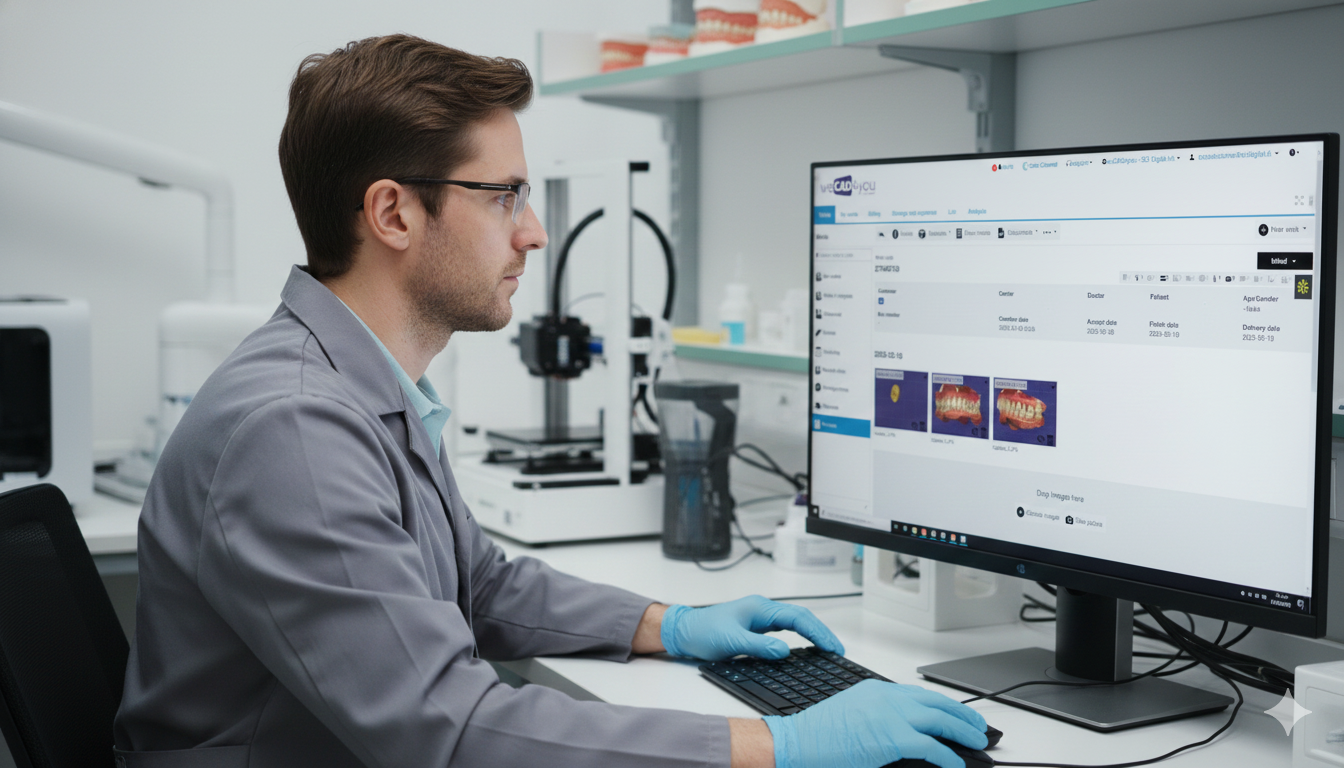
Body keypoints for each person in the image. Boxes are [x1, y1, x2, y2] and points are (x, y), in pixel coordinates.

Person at [113, 34, 989, 768]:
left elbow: (476, 583)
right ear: (392, 214)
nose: (532, 230)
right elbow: (446, 731)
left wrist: (668, 624)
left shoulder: (358, 385)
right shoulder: (294, 427)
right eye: (503, 196)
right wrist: (776, 743)